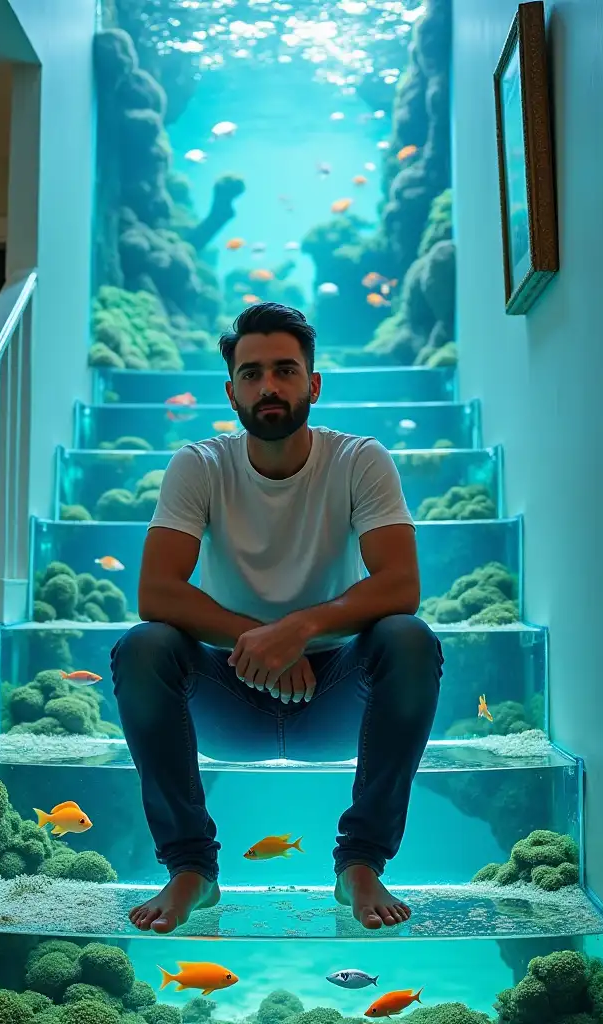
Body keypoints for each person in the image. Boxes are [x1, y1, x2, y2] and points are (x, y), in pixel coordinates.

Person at [110, 301, 443, 936]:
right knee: (145, 646)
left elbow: (402, 584)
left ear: (314, 384)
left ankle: (362, 862)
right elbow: (156, 591)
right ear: (231, 389)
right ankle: (191, 870)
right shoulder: (200, 464)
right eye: (253, 372)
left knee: (408, 639)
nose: (270, 386)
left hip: (335, 695)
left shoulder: (359, 460)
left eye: (286, 370)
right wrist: (259, 639)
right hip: (228, 694)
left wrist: (303, 629)